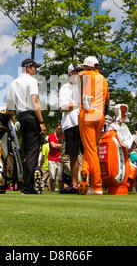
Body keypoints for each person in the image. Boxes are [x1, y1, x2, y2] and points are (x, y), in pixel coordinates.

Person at [6, 58, 46, 195]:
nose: (36, 70)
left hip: (21, 117)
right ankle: (27, 187)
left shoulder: (14, 82)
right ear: (28, 68)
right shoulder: (32, 81)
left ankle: (27, 184)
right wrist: (41, 122)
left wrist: (11, 117)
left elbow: (10, 104)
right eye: (34, 67)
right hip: (31, 117)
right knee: (33, 152)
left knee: (28, 151)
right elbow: (35, 101)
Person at [78, 56, 110, 195]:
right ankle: (85, 172)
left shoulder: (85, 74)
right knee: (90, 148)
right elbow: (107, 100)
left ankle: (97, 186)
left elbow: (79, 74)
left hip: (87, 113)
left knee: (91, 150)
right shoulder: (103, 79)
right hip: (100, 114)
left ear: (86, 66)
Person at [59, 63, 84, 194]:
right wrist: (78, 104)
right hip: (71, 123)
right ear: (70, 73)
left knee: (86, 154)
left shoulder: (84, 87)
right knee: (73, 155)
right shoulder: (65, 88)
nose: (79, 73)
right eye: (76, 71)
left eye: (80, 71)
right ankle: (75, 184)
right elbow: (63, 107)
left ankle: (86, 183)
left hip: (84, 123)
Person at [48, 123, 64, 192]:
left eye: (61, 129)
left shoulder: (63, 137)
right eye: (59, 129)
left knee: (60, 177)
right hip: (52, 159)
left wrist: (60, 144)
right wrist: (62, 146)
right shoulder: (51, 136)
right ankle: (52, 190)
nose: (60, 130)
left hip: (60, 159)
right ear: (56, 129)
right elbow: (53, 145)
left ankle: (61, 190)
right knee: (52, 176)